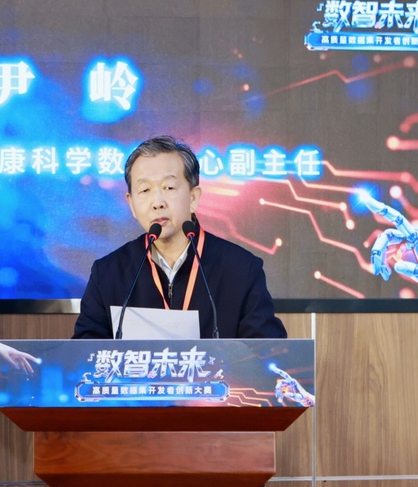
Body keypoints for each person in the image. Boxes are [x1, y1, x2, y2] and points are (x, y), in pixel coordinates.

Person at [73, 135, 286, 339]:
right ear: (131, 204)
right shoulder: (107, 273)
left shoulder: (241, 269)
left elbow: (267, 351)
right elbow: (85, 354)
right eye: (145, 190)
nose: (157, 202)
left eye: (169, 187)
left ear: (193, 198)